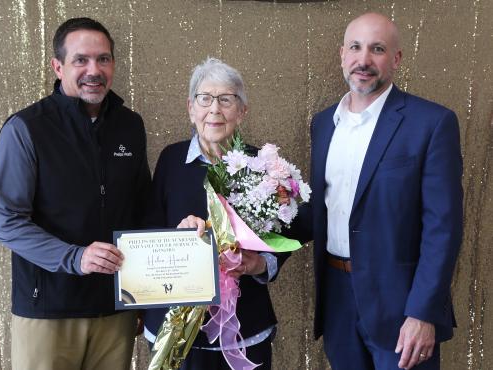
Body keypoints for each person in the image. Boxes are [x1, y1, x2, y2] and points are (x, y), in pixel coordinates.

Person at [301, 12, 463, 370]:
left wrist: (423, 313)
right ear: (342, 54)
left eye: (377, 49)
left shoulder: (432, 123)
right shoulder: (324, 124)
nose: (364, 60)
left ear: (396, 58)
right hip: (337, 299)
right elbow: (320, 211)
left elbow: (443, 229)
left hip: (402, 305)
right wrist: (254, 238)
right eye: (356, 48)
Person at [0, 17, 151, 370]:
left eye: (103, 59)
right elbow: (7, 221)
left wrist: (145, 297)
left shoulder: (130, 125)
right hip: (48, 312)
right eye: (81, 60)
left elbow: (142, 210)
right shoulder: (27, 128)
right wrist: (75, 257)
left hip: (115, 310)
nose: (94, 70)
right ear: (58, 66)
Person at [143, 57, 289, 370]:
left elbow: (289, 231)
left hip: (245, 323)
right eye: (205, 99)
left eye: (226, 99)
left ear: (242, 110)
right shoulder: (170, 159)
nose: (214, 109)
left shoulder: (263, 164)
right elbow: (151, 228)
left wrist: (260, 263)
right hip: (176, 326)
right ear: (190, 108)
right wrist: (178, 238)